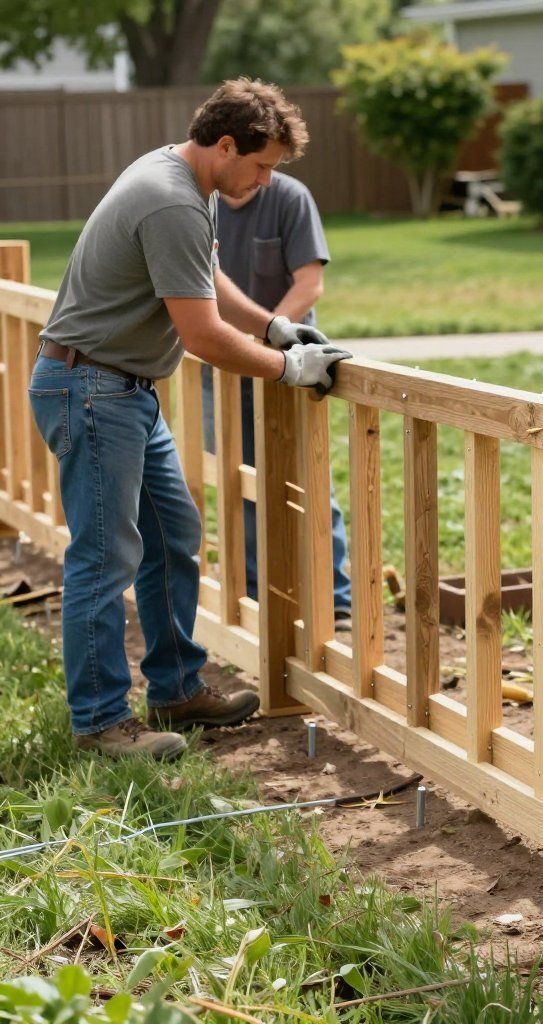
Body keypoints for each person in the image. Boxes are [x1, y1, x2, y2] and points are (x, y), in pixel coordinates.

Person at [29, 79, 350, 762]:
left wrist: (274, 326)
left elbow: (203, 278)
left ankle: (175, 689)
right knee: (104, 557)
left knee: (174, 535)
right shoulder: (171, 199)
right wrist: (285, 367)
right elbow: (200, 334)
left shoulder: (175, 175)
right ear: (225, 144)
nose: (265, 181)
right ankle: (100, 723)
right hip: (92, 389)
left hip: (121, 389)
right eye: (261, 165)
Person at [200, 172, 351, 623]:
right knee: (240, 480)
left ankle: (335, 599)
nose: (258, 176)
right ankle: (257, 598)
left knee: (308, 478)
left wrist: (270, 336)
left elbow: (309, 284)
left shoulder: (289, 198)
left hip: (289, 365)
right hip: (224, 370)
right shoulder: (201, 201)